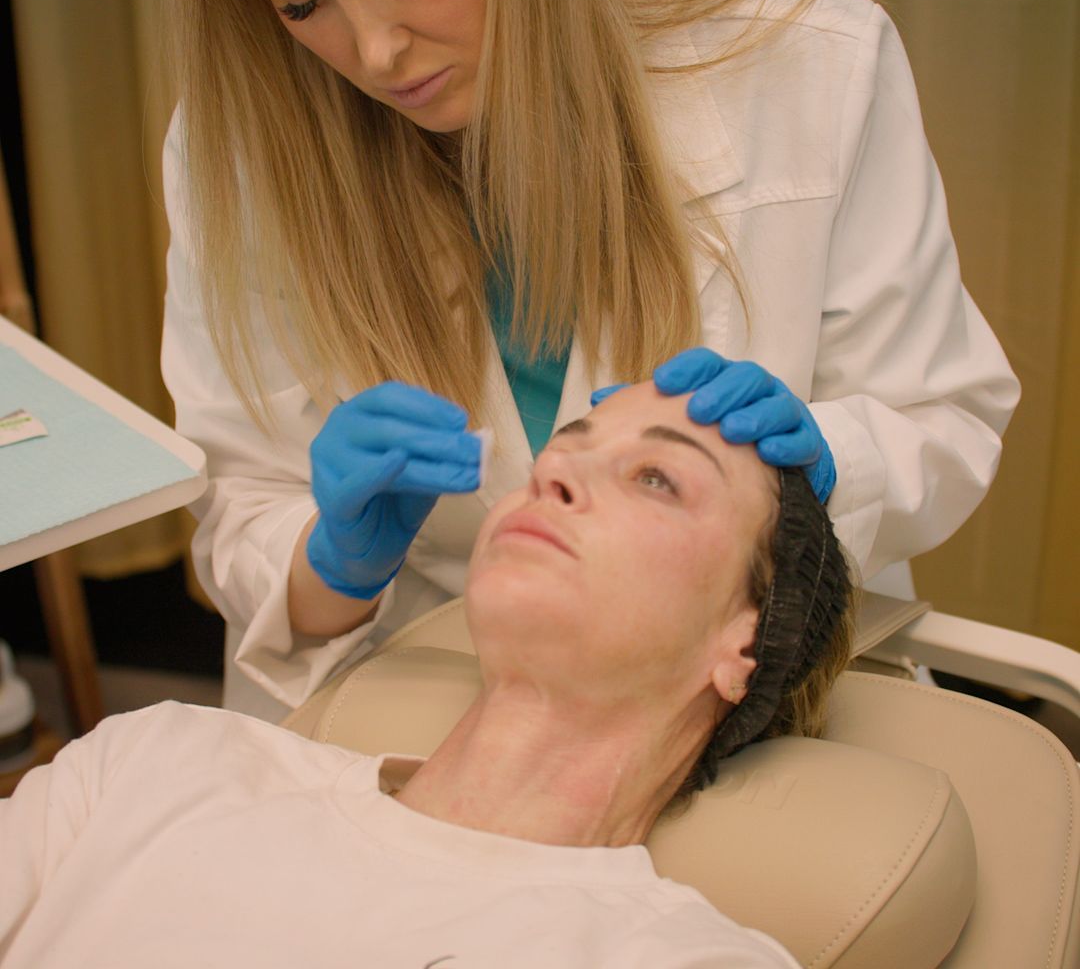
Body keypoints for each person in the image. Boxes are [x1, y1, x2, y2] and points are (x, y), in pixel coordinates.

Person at [160, 0, 1019, 710]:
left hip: (746, 686)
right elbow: (245, 506)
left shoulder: (808, 57)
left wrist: (824, 462)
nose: (377, 50)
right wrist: (333, 565)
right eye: (302, 5)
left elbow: (943, 419)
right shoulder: (240, 148)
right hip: (426, 682)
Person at [0, 384, 853, 968]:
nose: (553, 472)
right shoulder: (156, 760)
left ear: (746, 640)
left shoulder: (675, 958)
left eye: (657, 479)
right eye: (563, 450)